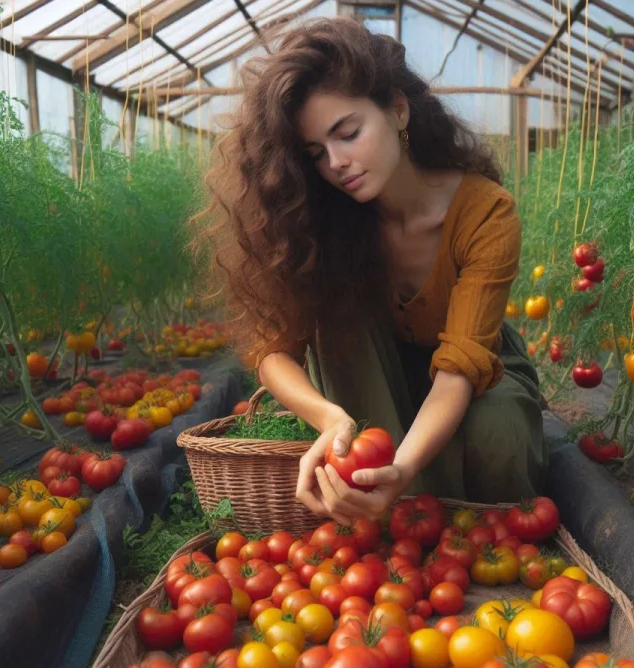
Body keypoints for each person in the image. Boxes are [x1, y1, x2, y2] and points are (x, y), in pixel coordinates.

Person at [197, 17, 547, 527]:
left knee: (498, 437)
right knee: (337, 316)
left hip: (468, 374)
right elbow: (274, 350)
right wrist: (328, 418)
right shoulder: (321, 220)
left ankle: (422, 506)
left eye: (348, 133)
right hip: (366, 375)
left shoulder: (485, 212)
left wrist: (402, 467)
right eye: (316, 152)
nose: (336, 163)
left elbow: (456, 373)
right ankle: (387, 505)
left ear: (398, 111)